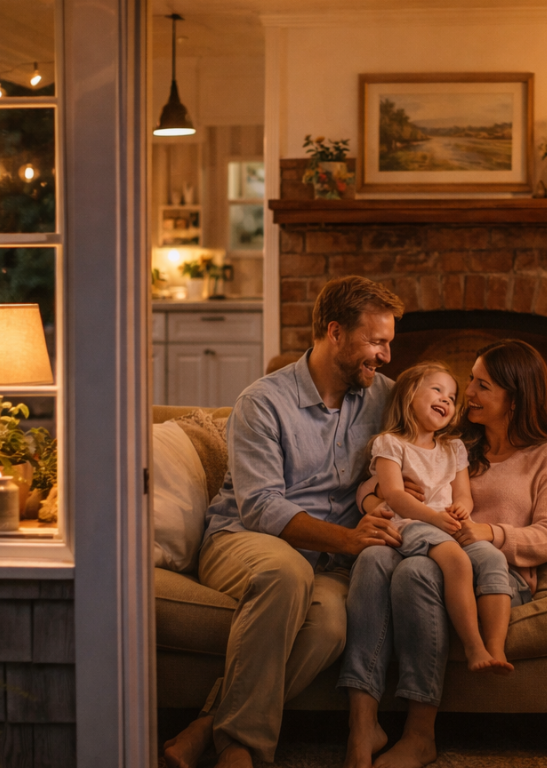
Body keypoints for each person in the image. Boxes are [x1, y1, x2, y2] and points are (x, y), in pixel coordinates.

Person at [161, 276, 406, 768]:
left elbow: (453, 432)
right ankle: (241, 751)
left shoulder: (385, 398)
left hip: (329, 562)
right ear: (334, 332)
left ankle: (209, 726)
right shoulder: (262, 402)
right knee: (285, 573)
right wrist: (351, 540)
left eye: (388, 344)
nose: (385, 356)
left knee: (332, 627)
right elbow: (262, 508)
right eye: (376, 342)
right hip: (245, 539)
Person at [340, 340, 547, 768]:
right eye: (469, 380)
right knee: (376, 557)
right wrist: (372, 498)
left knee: (414, 572)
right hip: (435, 548)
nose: (466, 393)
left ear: (514, 398)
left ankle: (419, 734)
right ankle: (362, 721)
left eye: (481, 385)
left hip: (497, 575)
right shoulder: (459, 443)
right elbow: (383, 479)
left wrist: (488, 532)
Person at [367, 362, 514, 675]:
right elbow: (393, 496)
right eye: (437, 390)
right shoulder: (390, 443)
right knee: (457, 561)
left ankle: (496, 648)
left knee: (492, 558)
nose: (447, 400)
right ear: (408, 395)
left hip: (448, 525)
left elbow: (462, 494)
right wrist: (434, 520)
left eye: (452, 395)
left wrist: (461, 507)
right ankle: (474, 647)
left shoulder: (453, 447)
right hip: (411, 524)